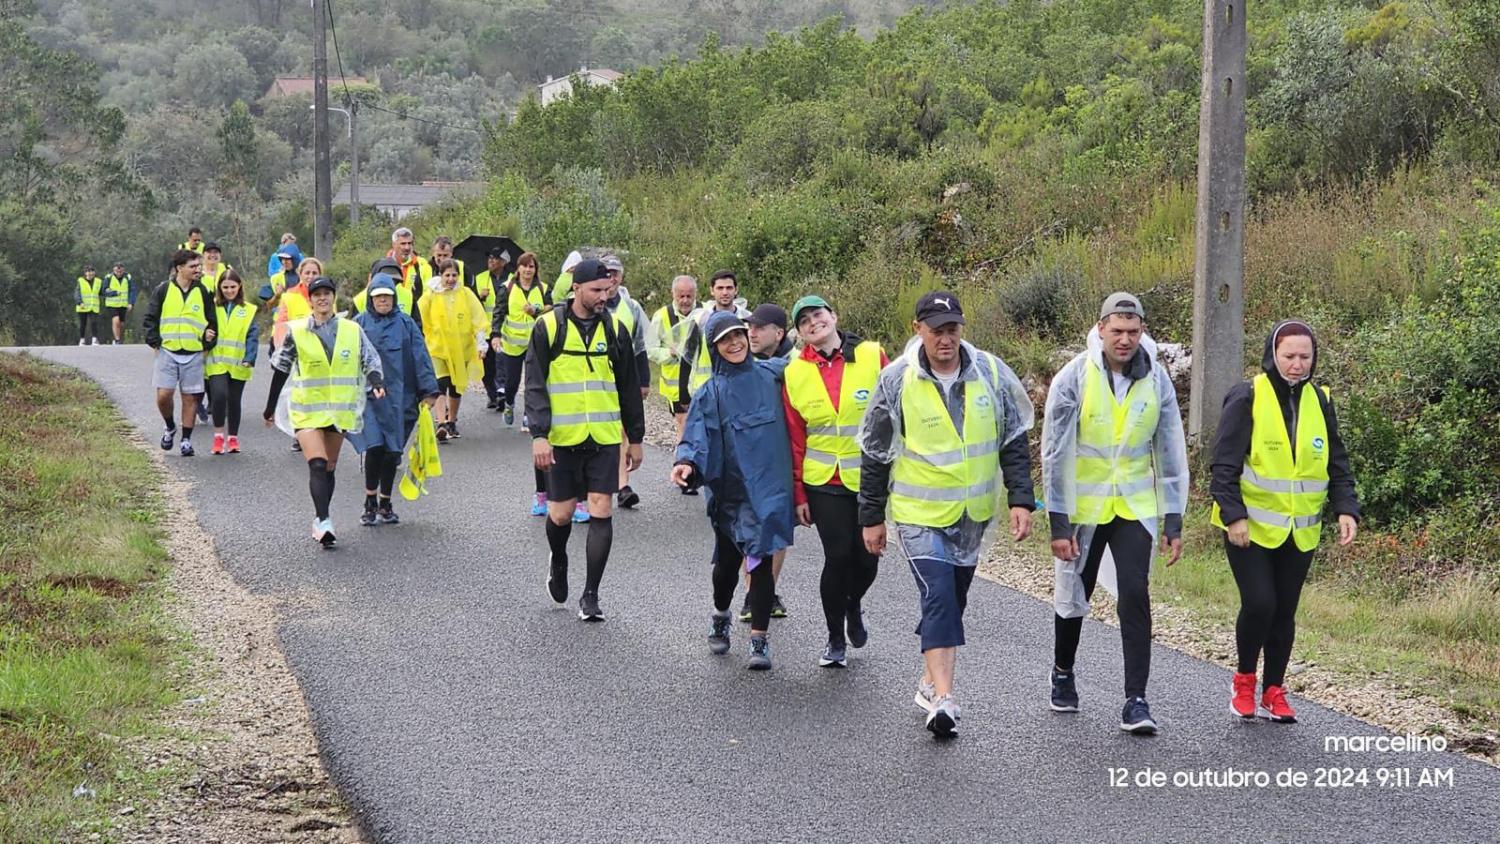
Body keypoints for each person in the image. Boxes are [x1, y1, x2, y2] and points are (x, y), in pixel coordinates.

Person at [858, 291, 1036, 738]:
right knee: (938, 594)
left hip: (972, 515)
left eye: (952, 329)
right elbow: (875, 453)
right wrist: (871, 516)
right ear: (917, 329)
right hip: (918, 514)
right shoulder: (896, 380)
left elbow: (1014, 441)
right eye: (936, 330)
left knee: (953, 601)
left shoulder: (992, 373)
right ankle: (944, 699)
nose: (945, 339)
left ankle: (928, 680)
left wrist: (1020, 498)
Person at [1041, 293, 1189, 736]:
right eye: (1117, 331)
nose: (1124, 340)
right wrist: (1059, 521)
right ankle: (1063, 671)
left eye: (1133, 331)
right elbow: (1054, 452)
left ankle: (1135, 700)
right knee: (1074, 594)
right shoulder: (1074, 377)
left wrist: (1174, 518)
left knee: (1135, 593)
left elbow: (1169, 448)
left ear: (1142, 332)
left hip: (1133, 504)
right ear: (1100, 328)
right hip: (1083, 505)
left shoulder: (1156, 378)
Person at [1211, 320, 1359, 724]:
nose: (1296, 365)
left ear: (1314, 358)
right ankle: (1244, 681)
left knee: (1284, 612)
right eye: (1289, 356)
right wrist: (1234, 516)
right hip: (1249, 527)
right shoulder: (1247, 396)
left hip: (1301, 529)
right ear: (1273, 354)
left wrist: (1346, 507)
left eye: (1304, 357)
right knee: (1260, 603)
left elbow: (1336, 461)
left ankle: (1273, 691)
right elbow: (1223, 465)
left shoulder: (1320, 400)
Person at [672, 312, 795, 670]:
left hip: (770, 489)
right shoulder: (710, 392)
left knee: (762, 558)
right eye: (725, 339)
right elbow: (694, 436)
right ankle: (721, 613)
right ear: (714, 348)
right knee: (727, 564)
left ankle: (759, 639)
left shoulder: (773, 375)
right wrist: (687, 463)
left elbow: (813, 370)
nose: (735, 343)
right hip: (731, 492)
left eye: (739, 335)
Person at [526, 259, 646, 620]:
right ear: (575, 288)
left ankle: (590, 595)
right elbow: (533, 385)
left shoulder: (616, 330)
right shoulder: (549, 327)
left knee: (601, 509)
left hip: (605, 436)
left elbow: (628, 387)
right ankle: (559, 559)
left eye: (607, 291)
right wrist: (539, 435)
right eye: (595, 291)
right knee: (561, 515)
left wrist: (636, 438)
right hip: (562, 437)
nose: (603, 297)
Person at [783, 295, 890, 668]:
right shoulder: (794, 372)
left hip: (868, 479)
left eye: (818, 315)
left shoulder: (873, 356)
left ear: (834, 317)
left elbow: (896, 413)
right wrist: (798, 493)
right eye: (804, 322)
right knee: (838, 556)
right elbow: (796, 438)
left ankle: (853, 603)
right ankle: (834, 637)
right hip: (822, 479)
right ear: (800, 334)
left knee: (868, 558)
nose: (814, 322)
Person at [263, 276, 385, 547]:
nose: (322, 298)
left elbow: (370, 360)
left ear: (334, 298)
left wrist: (376, 382)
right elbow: (281, 368)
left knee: (329, 467)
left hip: (339, 411)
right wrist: (270, 407)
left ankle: (320, 521)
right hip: (307, 409)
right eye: (317, 294)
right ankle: (324, 518)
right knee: (316, 463)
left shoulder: (352, 330)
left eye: (327, 293)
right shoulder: (298, 331)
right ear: (310, 300)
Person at [350, 274, 440, 527]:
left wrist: (428, 391)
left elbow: (420, 356)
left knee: (392, 452)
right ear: (371, 298)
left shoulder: (406, 324)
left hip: (401, 398)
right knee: (375, 447)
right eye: (378, 296)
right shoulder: (358, 324)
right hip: (368, 399)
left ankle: (385, 502)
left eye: (387, 296)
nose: (383, 301)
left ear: (394, 298)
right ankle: (369, 501)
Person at [736, 302, 796, 621]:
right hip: (750, 454)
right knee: (751, 524)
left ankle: (766, 591)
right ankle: (752, 593)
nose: (752, 332)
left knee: (776, 525)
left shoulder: (797, 363)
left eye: (759, 327)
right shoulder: (743, 359)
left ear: (779, 332)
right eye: (750, 327)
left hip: (786, 455)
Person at [142, 249, 218, 457]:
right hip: (168, 351)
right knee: (164, 395)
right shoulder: (163, 290)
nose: (198, 270)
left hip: (193, 353)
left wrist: (208, 340)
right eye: (193, 266)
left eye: (198, 266)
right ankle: (169, 427)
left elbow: (212, 321)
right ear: (179, 268)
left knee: (190, 399)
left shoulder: (203, 292)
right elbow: (150, 318)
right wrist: (155, 341)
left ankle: (186, 439)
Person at [601, 254, 651, 510]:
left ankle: (622, 486)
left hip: (624, 377)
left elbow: (640, 346)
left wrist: (643, 380)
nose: (610, 278)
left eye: (615, 274)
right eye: (606, 272)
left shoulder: (631, 307)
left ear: (621, 277)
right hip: (596, 379)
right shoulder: (587, 304)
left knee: (622, 431)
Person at [418, 258, 487, 441]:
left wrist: (481, 342)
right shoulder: (431, 294)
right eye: (447, 275)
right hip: (438, 347)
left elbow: (478, 317)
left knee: (456, 386)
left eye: (454, 275)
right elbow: (420, 317)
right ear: (440, 275)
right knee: (441, 383)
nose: (450, 279)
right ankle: (441, 422)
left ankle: (452, 421)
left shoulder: (465, 294)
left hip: (461, 348)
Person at [203, 269, 260, 455]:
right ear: (219, 288)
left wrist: (250, 358)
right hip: (216, 361)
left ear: (239, 287)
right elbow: (204, 328)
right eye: (225, 287)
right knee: (218, 396)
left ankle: (233, 437)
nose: (229, 291)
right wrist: (205, 335)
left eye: (232, 287)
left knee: (234, 400)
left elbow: (252, 336)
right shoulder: (212, 306)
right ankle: (219, 436)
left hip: (238, 362)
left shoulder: (248, 310)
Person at [645, 275, 700, 447]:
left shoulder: (704, 313)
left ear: (695, 294)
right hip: (676, 387)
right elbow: (650, 349)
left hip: (701, 383)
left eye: (689, 296)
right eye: (681, 296)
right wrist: (669, 353)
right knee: (684, 426)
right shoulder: (662, 316)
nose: (685, 301)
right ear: (673, 294)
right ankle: (682, 466)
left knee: (703, 428)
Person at [682, 270, 752, 398]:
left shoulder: (748, 319)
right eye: (720, 288)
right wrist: (683, 395)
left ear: (736, 290)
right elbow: (687, 356)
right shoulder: (700, 319)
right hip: (706, 391)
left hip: (742, 390)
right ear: (712, 290)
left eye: (729, 288)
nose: (725, 292)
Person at [473, 248, 506, 409]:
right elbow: (471, 304)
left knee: (501, 364)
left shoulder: (512, 280)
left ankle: (501, 394)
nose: (491, 261)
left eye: (496, 259)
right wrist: (481, 297)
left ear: (504, 262)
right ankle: (492, 395)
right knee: (486, 367)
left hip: (504, 331)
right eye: (490, 258)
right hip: (484, 330)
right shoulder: (480, 278)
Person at [389, 226, 433, 299]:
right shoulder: (384, 266)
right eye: (403, 244)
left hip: (415, 308)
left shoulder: (422, 264)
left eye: (409, 243)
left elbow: (428, 293)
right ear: (394, 245)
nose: (407, 247)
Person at [102, 262, 135, 344]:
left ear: (123, 270)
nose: (119, 273)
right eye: (117, 271)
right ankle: (117, 339)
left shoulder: (128, 277)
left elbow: (132, 290)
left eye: (121, 271)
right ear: (114, 270)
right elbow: (104, 291)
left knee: (121, 323)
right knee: (116, 320)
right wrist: (114, 293)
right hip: (112, 304)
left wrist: (131, 303)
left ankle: (119, 337)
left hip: (123, 304)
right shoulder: (108, 277)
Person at [75, 265, 103, 345]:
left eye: (91, 273)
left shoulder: (98, 281)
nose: (90, 275)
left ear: (94, 273)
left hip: (94, 306)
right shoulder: (80, 281)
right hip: (82, 306)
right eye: (88, 273)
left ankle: (94, 339)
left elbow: (102, 292)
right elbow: (77, 293)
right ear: (85, 273)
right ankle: (82, 339)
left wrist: (111, 293)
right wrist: (79, 302)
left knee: (94, 322)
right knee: (82, 323)